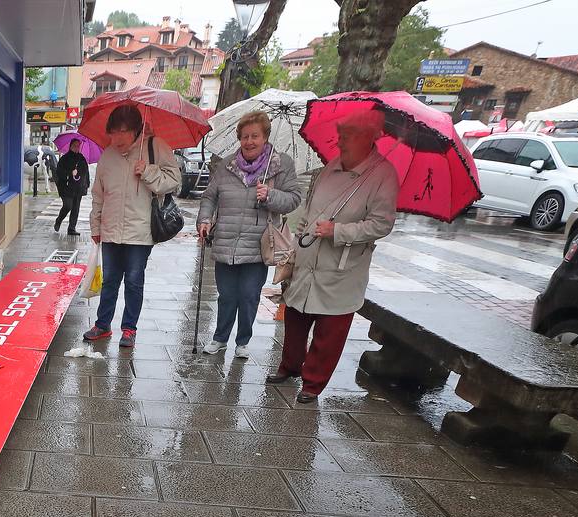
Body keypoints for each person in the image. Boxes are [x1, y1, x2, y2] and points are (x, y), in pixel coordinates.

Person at [269, 108, 399, 404]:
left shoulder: (383, 175)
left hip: (341, 265)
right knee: (295, 316)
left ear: (369, 137)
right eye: (341, 135)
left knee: (330, 330)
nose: (341, 142)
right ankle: (290, 366)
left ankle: (313, 383)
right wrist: (297, 242)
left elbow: (382, 224)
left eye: (349, 136)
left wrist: (338, 231)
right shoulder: (331, 167)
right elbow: (310, 209)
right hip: (309, 256)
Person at [196, 110, 302, 358]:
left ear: (265, 136)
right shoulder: (227, 165)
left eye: (255, 136)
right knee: (226, 295)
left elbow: (295, 199)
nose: (249, 141)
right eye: (244, 136)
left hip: (258, 244)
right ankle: (220, 338)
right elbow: (210, 196)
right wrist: (204, 219)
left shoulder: (280, 165)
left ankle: (243, 340)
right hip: (226, 241)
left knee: (248, 295)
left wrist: (271, 196)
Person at [84, 103, 182, 348]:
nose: (117, 138)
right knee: (109, 280)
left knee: (134, 281)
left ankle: (129, 328)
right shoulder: (107, 155)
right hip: (110, 229)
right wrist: (95, 226)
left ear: (137, 129)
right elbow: (99, 194)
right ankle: (103, 324)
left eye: (124, 131)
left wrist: (148, 171)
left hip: (140, 232)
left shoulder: (155, 146)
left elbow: (173, 182)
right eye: (113, 132)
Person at [54, 139, 90, 236]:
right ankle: (59, 220)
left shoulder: (82, 158)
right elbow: (59, 172)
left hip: (78, 188)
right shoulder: (64, 158)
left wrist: (86, 184)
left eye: (78, 146)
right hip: (66, 188)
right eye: (75, 145)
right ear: (70, 146)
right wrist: (70, 173)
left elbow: (86, 173)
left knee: (75, 208)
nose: (77, 147)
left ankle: (71, 228)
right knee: (68, 205)